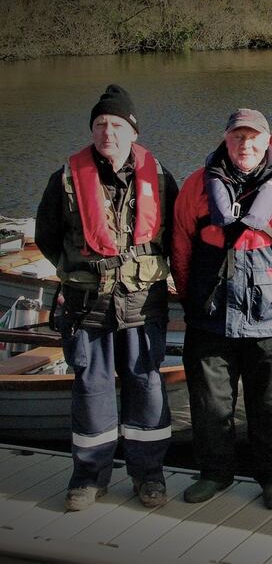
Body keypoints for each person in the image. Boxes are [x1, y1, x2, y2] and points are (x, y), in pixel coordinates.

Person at [36, 84, 177, 512]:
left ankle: (149, 476)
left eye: (116, 124)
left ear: (132, 131)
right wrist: (81, 269)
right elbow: (47, 237)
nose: (107, 133)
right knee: (92, 391)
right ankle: (88, 477)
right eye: (99, 124)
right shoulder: (64, 180)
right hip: (86, 305)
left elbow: (175, 235)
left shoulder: (162, 178)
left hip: (140, 303)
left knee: (146, 386)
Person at [171, 108, 272, 510]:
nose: (245, 145)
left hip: (269, 322)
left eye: (253, 137)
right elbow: (181, 252)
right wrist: (192, 302)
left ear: (267, 141)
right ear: (225, 139)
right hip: (210, 319)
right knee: (209, 405)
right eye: (237, 136)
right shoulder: (195, 187)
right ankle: (214, 474)